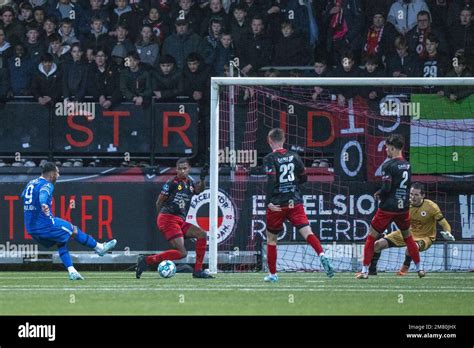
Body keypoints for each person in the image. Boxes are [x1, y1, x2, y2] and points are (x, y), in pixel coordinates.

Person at [21, 162, 117, 280]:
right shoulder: (48, 184)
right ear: (51, 174)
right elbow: (43, 194)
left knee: (61, 241)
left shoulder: (31, 183)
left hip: (31, 228)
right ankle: (99, 248)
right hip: (45, 225)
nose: (58, 175)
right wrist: (43, 204)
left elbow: (23, 196)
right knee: (73, 230)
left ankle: (72, 271)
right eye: (57, 172)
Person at [263, 128, 334, 282]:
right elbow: (303, 178)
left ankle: (273, 274)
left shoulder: (270, 158)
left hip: (277, 204)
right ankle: (321, 254)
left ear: (269, 141)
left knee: (271, 239)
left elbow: (271, 181)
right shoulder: (295, 156)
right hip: (294, 201)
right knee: (308, 232)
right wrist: (292, 184)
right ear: (284, 139)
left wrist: (268, 202)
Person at [356, 134, 424, 279]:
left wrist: (379, 193)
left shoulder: (388, 165)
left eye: (387, 148)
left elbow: (387, 188)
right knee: (408, 238)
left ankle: (365, 271)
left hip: (388, 208)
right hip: (403, 208)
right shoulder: (407, 165)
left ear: (392, 148)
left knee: (371, 238)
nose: (386, 150)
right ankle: (419, 269)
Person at [135, 158, 213, 279]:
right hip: (168, 218)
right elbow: (159, 202)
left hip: (180, 220)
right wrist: (162, 219)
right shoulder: (171, 183)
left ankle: (198, 271)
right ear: (176, 169)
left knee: (202, 234)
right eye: (180, 169)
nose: (182, 171)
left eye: (185, 168)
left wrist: (202, 179)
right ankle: (147, 260)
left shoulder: (190, 183)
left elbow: (199, 190)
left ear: (189, 169)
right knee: (182, 253)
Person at [363, 182, 454, 276]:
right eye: (411, 194)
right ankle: (372, 270)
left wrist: (448, 232)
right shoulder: (404, 204)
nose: (413, 197)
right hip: (406, 233)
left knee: (412, 247)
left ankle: (405, 267)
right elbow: (392, 216)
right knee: (377, 245)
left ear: (423, 195)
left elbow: (444, 223)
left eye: (416, 195)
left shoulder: (431, 207)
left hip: (425, 237)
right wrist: (384, 228)